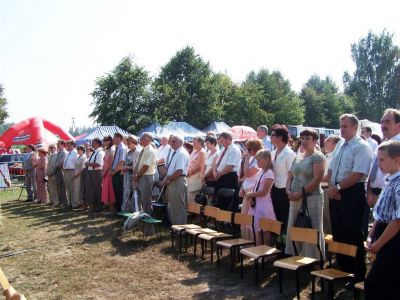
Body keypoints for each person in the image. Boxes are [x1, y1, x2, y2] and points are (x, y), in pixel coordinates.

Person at [327, 114, 372, 282]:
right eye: (340, 125)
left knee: (352, 233)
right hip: (336, 191)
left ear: (355, 127)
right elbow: (331, 168)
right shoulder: (340, 144)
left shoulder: (362, 146)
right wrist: (333, 188)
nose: (341, 129)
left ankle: (358, 273)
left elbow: (358, 173)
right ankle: (343, 269)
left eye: (345, 126)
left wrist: (337, 188)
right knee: (338, 231)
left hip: (352, 192)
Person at [365, 140, 400, 300]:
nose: (378, 164)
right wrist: (371, 235)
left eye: (382, 159)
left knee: (377, 284)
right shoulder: (390, 180)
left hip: (393, 240)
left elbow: (398, 220)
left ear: (397, 159)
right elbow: (381, 214)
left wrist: (379, 243)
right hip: (383, 234)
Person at [285, 129, 326, 260]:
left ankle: (313, 258)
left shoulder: (318, 157)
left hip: (312, 198)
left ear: (315, 141)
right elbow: (290, 176)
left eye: (307, 138)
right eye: (302, 138)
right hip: (294, 197)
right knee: (294, 224)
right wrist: (288, 190)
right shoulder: (298, 156)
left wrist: (300, 193)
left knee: (311, 227)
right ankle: (294, 255)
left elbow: (317, 179)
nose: (304, 141)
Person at [367, 109, 400, 207]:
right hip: (373, 194)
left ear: (398, 125)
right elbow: (372, 169)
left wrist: (384, 194)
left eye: (387, 122)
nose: (383, 125)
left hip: (391, 195)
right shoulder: (381, 145)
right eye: (382, 122)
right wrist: (369, 192)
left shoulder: (398, 146)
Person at [244, 149, 275, 245]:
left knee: (265, 231)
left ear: (266, 160)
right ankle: (258, 253)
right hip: (257, 205)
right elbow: (256, 187)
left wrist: (250, 194)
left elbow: (264, 191)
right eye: (256, 160)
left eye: (259, 160)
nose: (257, 162)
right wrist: (251, 198)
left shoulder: (269, 173)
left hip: (264, 206)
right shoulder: (261, 172)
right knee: (257, 230)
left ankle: (265, 254)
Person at [270, 125, 296, 231]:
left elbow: (291, 173)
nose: (270, 137)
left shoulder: (289, 153)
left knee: (285, 217)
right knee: (276, 215)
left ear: (280, 137)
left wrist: (288, 190)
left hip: (285, 189)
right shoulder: (273, 152)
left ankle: (285, 244)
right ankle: (278, 242)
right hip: (274, 188)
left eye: (272, 135)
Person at [238, 138, 263, 239]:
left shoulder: (259, 160)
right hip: (247, 190)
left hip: (253, 191)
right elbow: (245, 176)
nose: (246, 151)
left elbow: (248, 173)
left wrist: (247, 159)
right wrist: (242, 186)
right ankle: (245, 240)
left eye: (248, 149)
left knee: (250, 218)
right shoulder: (253, 158)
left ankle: (251, 242)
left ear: (254, 149)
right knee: (244, 217)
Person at [163, 135, 190, 225]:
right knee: (173, 206)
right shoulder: (175, 152)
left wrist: (168, 180)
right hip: (173, 180)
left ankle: (181, 229)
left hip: (177, 180)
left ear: (180, 142)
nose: (171, 143)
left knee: (178, 206)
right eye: (171, 141)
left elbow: (179, 171)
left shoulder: (181, 153)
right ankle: (175, 227)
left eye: (174, 141)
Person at [213, 131, 242, 211]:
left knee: (227, 202)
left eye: (222, 140)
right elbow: (216, 163)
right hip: (220, 176)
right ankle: (216, 220)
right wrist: (215, 172)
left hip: (229, 177)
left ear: (229, 139)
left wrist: (219, 175)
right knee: (218, 200)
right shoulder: (223, 149)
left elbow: (230, 166)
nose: (221, 143)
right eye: (220, 141)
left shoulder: (234, 150)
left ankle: (224, 221)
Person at [133, 133, 157, 221]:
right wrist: (135, 174)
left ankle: (148, 221)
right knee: (137, 199)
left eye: (142, 138)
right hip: (140, 176)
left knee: (146, 201)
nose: (140, 140)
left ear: (148, 140)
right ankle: (139, 219)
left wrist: (137, 175)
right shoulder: (143, 150)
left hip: (146, 177)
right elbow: (139, 164)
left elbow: (146, 166)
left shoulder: (150, 150)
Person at [321, 135, 341, 234]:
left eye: (328, 141)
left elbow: (329, 175)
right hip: (322, 189)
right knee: (323, 219)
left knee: (329, 218)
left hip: (328, 189)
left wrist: (315, 179)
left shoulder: (335, 157)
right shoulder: (327, 156)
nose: (325, 142)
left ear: (335, 144)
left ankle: (331, 244)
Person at [85, 138, 105, 215]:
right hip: (92, 172)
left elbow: (98, 164)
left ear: (97, 143)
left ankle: (100, 206)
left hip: (96, 172)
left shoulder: (100, 152)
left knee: (98, 189)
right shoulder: (95, 152)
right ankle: (94, 206)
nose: (92, 144)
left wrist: (88, 164)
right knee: (93, 190)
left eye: (93, 142)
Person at [121, 135, 140, 212]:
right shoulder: (129, 152)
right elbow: (126, 162)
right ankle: (125, 210)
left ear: (133, 142)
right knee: (126, 193)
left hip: (134, 176)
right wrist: (124, 166)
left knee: (134, 194)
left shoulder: (138, 151)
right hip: (127, 176)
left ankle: (134, 210)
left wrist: (127, 168)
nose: (127, 145)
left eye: (129, 143)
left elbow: (138, 166)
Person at [110, 133, 127, 212]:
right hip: (115, 172)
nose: (113, 139)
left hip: (119, 173)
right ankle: (117, 210)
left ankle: (120, 210)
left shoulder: (122, 148)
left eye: (114, 137)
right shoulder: (118, 148)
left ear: (119, 138)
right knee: (116, 192)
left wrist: (113, 172)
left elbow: (121, 163)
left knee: (119, 192)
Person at [187, 137, 206, 203]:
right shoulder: (193, 152)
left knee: (191, 199)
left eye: (195, 142)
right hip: (190, 177)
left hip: (196, 178)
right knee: (187, 197)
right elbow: (188, 163)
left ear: (200, 143)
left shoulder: (202, 152)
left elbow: (198, 167)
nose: (193, 143)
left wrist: (188, 172)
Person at [101, 136, 115, 213]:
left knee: (110, 191)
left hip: (109, 173)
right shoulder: (108, 149)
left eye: (104, 141)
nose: (103, 142)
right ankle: (109, 208)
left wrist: (105, 172)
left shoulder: (112, 149)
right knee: (107, 191)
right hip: (106, 173)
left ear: (109, 141)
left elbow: (110, 163)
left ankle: (112, 209)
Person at [63, 140, 78, 208]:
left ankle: (74, 203)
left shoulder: (75, 153)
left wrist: (75, 173)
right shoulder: (68, 153)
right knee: (68, 188)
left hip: (72, 171)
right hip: (66, 171)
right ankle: (70, 202)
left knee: (73, 188)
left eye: (68, 145)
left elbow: (76, 164)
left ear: (73, 145)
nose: (67, 147)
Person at [54, 140, 67, 207]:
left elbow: (62, 163)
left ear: (62, 144)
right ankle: (61, 201)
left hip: (61, 171)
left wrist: (56, 166)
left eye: (58, 144)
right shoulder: (59, 152)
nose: (57, 145)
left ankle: (64, 202)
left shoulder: (64, 152)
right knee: (59, 187)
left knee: (62, 187)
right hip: (57, 171)